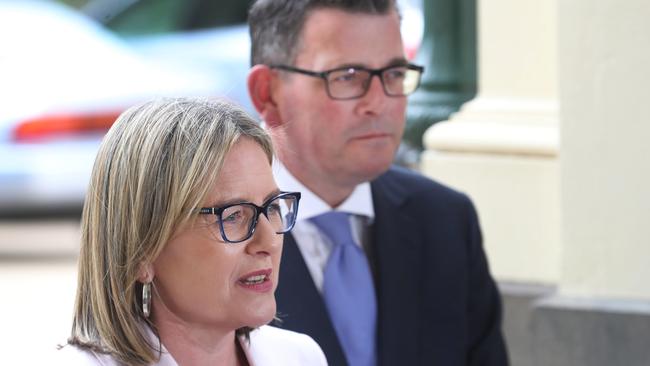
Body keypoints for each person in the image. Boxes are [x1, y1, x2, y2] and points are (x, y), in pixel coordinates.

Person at [247, 0, 509, 365]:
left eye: (394, 74)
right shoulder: (208, 230)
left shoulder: (445, 220)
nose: (380, 102)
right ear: (267, 91)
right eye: (347, 76)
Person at [56, 98, 327, 366]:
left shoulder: (300, 356)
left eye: (271, 207)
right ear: (142, 251)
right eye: (233, 216)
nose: (269, 240)